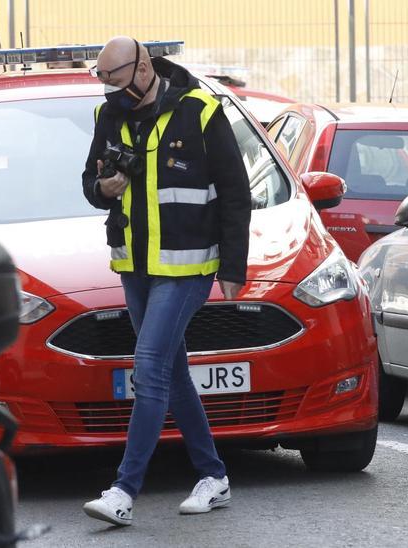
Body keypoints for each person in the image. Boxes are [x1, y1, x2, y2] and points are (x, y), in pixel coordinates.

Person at [80, 36, 251, 526]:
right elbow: (89, 184)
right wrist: (103, 188)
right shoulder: (108, 115)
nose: (107, 87)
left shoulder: (200, 109)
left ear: (141, 68)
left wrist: (234, 269)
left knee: (150, 366)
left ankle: (123, 488)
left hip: (187, 266)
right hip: (135, 263)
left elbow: (236, 193)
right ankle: (213, 476)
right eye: (102, 78)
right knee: (172, 372)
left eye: (113, 77)